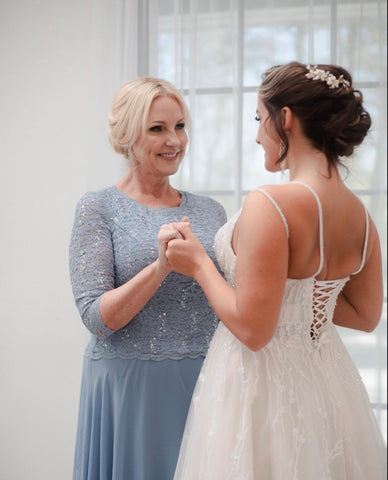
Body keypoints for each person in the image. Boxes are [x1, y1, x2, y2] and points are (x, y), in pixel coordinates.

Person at [163, 62, 386, 479]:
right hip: (327, 388)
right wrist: (292, 299)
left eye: (259, 119)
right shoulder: (362, 217)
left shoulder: (272, 203)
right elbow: (366, 315)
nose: (256, 134)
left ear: (285, 118)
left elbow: (253, 330)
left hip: (260, 388)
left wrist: (198, 265)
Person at [69, 77, 226, 480]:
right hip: (131, 387)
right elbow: (97, 318)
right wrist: (160, 267)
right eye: (157, 129)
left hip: (206, 380)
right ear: (126, 136)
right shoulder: (97, 208)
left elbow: (231, 298)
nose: (174, 140)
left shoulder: (212, 212)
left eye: (180, 126)